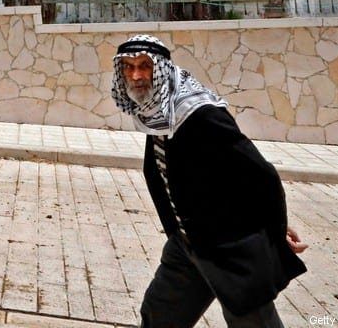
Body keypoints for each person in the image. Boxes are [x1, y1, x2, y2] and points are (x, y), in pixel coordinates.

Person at [111, 34, 308, 328]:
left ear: (161, 69)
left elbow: (262, 176)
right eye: (128, 67)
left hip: (227, 249)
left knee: (253, 322)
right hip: (186, 244)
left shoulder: (199, 114)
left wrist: (275, 229)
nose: (136, 75)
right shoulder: (158, 114)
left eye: (144, 66)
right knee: (159, 316)